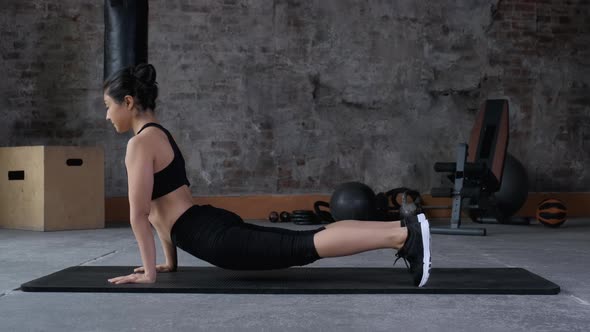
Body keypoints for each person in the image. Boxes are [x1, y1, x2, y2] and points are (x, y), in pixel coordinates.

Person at [104, 63, 432, 287]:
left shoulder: (139, 145)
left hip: (212, 238)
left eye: (108, 106)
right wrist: (169, 263)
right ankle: (402, 227)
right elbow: (164, 209)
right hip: (206, 222)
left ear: (129, 102)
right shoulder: (159, 134)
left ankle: (402, 236)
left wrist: (149, 274)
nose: (107, 115)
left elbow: (141, 214)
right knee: (303, 240)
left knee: (306, 244)